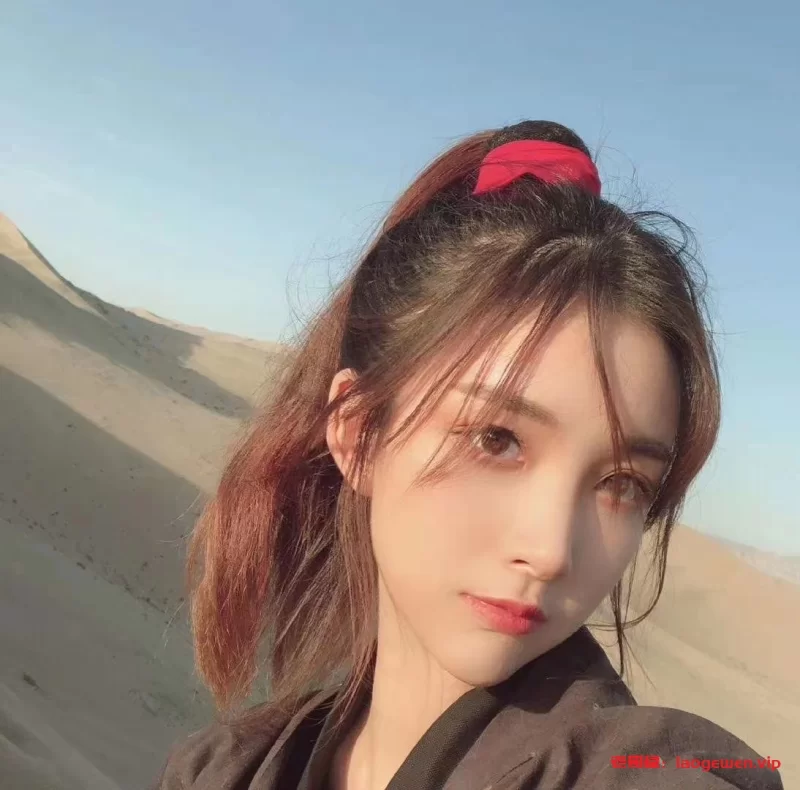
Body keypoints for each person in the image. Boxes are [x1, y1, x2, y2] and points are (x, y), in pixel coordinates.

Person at [151, 121, 783, 789]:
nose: (551, 552)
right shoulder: (223, 771)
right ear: (359, 434)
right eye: (496, 440)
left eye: (623, 482)